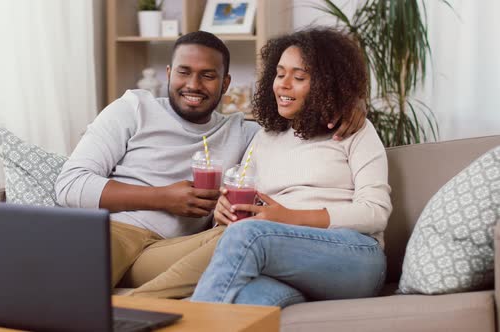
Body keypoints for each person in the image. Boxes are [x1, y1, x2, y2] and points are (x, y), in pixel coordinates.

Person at [55, 30, 367, 297]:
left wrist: (351, 103)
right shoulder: (133, 109)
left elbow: (300, 118)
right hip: (116, 232)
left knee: (243, 235)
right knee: (66, 298)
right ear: (168, 73)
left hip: (175, 250)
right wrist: (164, 197)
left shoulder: (245, 132)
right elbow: (68, 186)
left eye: (208, 75)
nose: (193, 84)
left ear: (226, 82)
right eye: (184, 71)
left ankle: (134, 311)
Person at [191, 27, 392, 307]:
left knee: (247, 235)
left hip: (354, 256)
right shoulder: (265, 136)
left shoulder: (354, 130)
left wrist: (289, 217)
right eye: (280, 73)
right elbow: (243, 206)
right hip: (287, 261)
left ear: (325, 83)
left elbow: (375, 212)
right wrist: (222, 211)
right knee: (246, 301)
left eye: (299, 77)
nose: (283, 84)